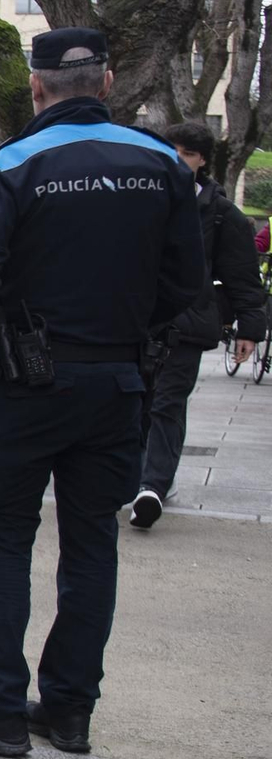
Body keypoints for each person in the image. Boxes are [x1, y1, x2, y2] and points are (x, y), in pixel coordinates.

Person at [0, 28, 201, 758]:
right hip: (118, 380)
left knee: (2, 535)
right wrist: (133, 334)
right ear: (106, 84)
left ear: (37, 89)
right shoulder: (164, 162)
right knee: (92, 541)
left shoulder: (14, 163)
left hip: (28, 382)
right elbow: (187, 283)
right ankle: (69, 708)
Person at [130, 121, 266, 528]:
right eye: (170, 152)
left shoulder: (221, 214)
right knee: (139, 403)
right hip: (139, 321)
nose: (176, 161)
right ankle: (143, 479)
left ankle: (151, 486)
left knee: (168, 403)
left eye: (186, 154)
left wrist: (249, 328)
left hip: (188, 322)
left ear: (202, 160)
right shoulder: (142, 201)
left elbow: (243, 274)